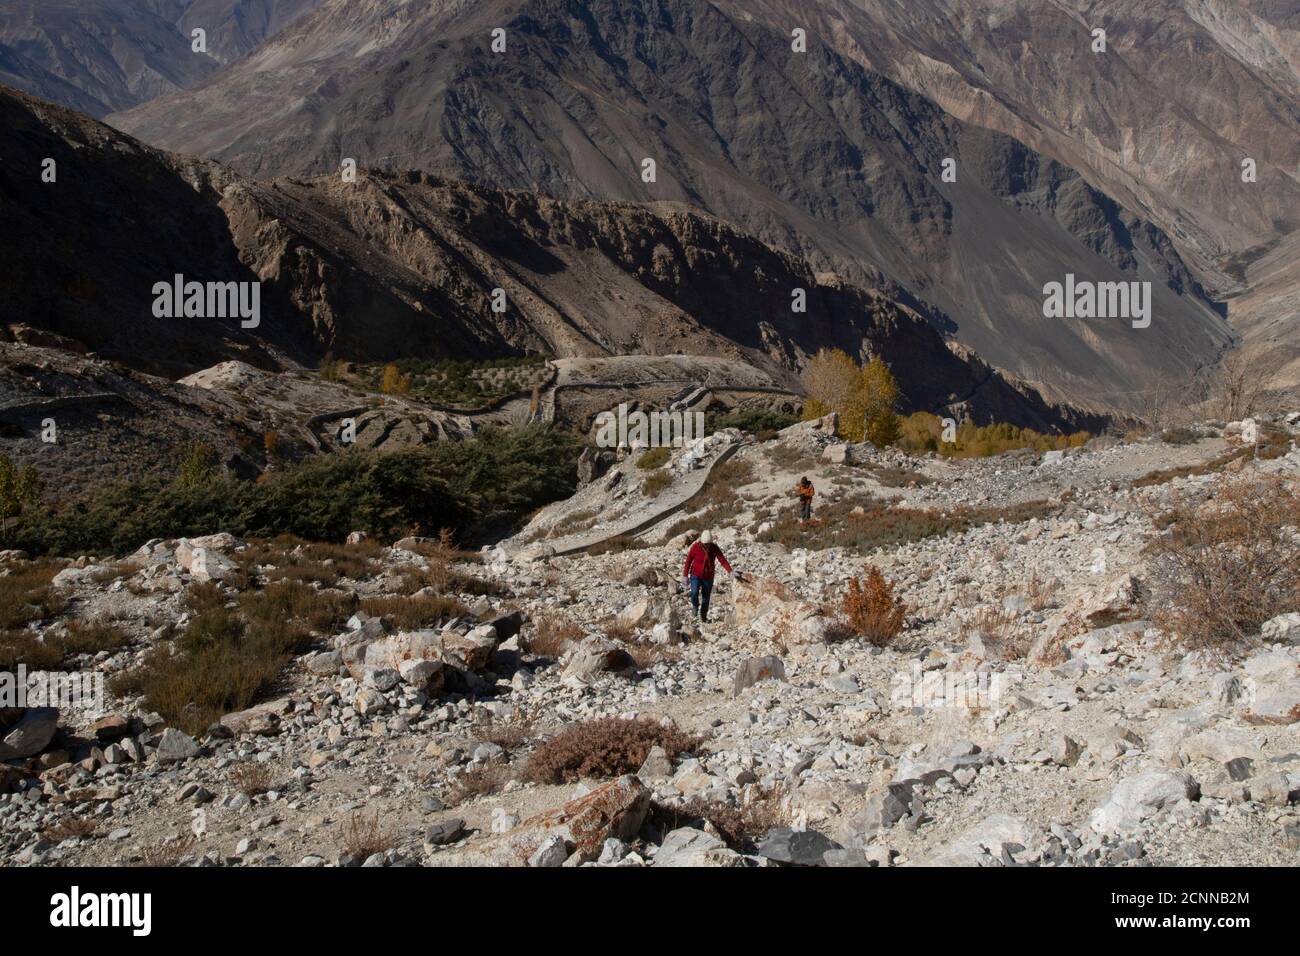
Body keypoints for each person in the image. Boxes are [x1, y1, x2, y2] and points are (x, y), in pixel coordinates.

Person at [682, 530, 732, 623]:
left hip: (708, 576)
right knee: (694, 592)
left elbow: (722, 559)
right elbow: (688, 561)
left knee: (706, 598)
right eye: (705, 544)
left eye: (708, 544)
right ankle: (695, 606)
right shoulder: (695, 547)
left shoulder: (714, 548)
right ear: (701, 541)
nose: (706, 546)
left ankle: (703, 615)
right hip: (695, 575)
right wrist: (685, 575)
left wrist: (730, 571)